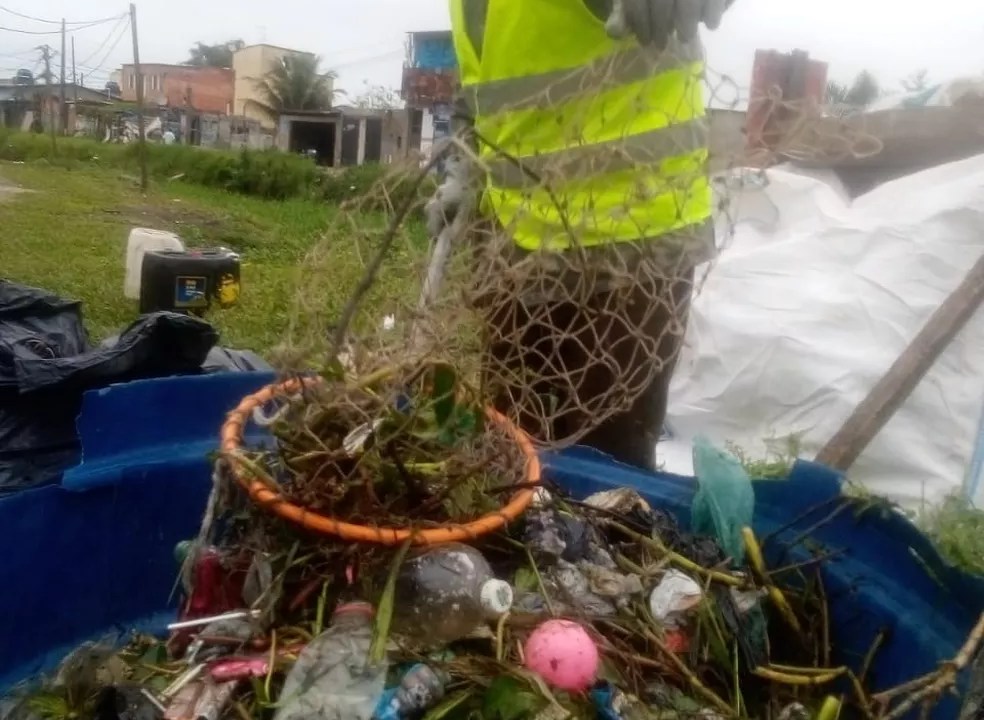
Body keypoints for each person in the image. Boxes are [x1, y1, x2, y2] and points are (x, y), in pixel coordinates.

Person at [428, 0, 732, 472]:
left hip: (631, 235)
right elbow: (483, 88)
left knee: (609, 473)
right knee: (513, 451)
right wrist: (462, 168)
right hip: (513, 240)